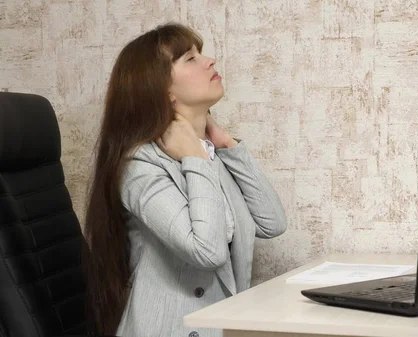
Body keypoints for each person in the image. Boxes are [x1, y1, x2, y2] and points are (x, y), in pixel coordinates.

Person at [82, 22, 287, 337]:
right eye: (190, 59)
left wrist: (227, 145)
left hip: (218, 327)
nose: (209, 61)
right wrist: (195, 156)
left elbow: (272, 223)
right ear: (161, 88)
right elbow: (207, 251)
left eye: (200, 54)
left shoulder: (210, 153)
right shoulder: (140, 165)